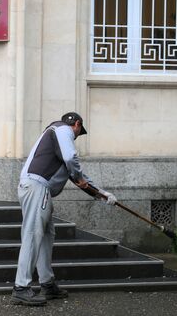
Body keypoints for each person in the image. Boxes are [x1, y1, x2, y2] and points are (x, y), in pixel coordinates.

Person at [11, 112, 117, 306]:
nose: (77, 136)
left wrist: (102, 195)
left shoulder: (55, 139)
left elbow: (79, 178)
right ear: (76, 124)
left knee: (45, 236)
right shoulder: (62, 130)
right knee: (33, 235)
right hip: (37, 187)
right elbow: (72, 162)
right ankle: (21, 287)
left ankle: (47, 284)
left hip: (38, 189)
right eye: (79, 132)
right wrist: (81, 178)